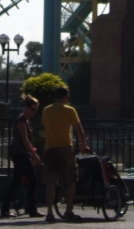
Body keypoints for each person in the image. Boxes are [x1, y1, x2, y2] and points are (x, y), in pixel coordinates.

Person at [41, 86, 88, 223]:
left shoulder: (46, 110)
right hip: (65, 148)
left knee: (50, 182)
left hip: (49, 148)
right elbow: (79, 130)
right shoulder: (70, 110)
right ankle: (68, 211)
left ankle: (49, 213)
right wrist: (83, 145)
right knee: (70, 180)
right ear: (65, 97)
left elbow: (45, 127)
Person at [0, 95, 43, 218]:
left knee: (32, 180)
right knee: (17, 182)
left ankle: (31, 208)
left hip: (22, 154)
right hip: (19, 154)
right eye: (33, 109)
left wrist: (31, 154)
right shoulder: (22, 121)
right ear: (26, 107)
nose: (34, 112)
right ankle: (5, 209)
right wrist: (35, 156)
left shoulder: (25, 120)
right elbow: (24, 140)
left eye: (36, 110)